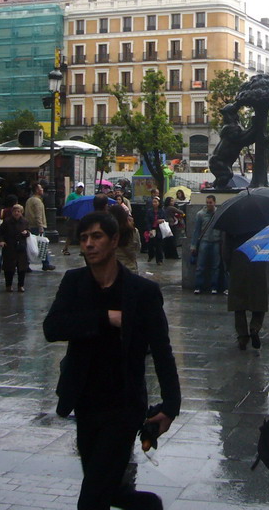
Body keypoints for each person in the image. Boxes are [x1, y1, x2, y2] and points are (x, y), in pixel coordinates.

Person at [43, 211, 181, 510]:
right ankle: (146, 506)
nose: (89, 244)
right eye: (84, 238)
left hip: (123, 404)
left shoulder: (142, 292)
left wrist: (171, 406)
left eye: (96, 237)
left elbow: (161, 350)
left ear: (114, 240)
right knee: (102, 484)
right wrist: (104, 318)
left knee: (92, 497)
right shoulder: (74, 282)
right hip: (84, 400)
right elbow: (52, 328)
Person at [191, 195, 225, 295]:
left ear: (214, 202)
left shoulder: (218, 213)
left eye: (210, 202)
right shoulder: (200, 214)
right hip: (204, 241)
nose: (209, 204)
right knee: (200, 265)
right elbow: (196, 231)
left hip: (216, 241)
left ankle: (214, 286)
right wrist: (193, 245)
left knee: (216, 266)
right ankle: (198, 286)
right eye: (207, 202)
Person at [0, 203, 31, 292]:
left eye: (18, 211)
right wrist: (1, 241)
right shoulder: (7, 221)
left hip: (21, 247)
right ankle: (8, 285)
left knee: (22, 267)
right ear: (12, 212)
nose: (16, 213)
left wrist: (26, 233)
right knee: (9, 267)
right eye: (15, 211)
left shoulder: (25, 221)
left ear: (21, 212)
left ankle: (21, 285)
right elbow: (0, 232)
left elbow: (28, 231)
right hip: (9, 246)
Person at [24, 182, 54, 271]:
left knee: (30, 245)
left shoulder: (29, 200)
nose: (42, 190)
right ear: (37, 190)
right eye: (41, 188)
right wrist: (40, 226)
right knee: (42, 244)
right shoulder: (37, 201)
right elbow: (38, 215)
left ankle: (27, 264)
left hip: (30, 225)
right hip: (36, 226)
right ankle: (46, 263)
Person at [109, 203, 140, 274]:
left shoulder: (108, 232)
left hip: (112, 270)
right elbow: (138, 248)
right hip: (130, 269)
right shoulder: (133, 231)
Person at [161, 197, 184, 261]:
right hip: (172, 224)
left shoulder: (164, 208)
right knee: (173, 240)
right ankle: (174, 255)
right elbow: (181, 212)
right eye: (172, 201)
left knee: (167, 240)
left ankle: (167, 255)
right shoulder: (171, 208)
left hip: (165, 225)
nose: (173, 202)